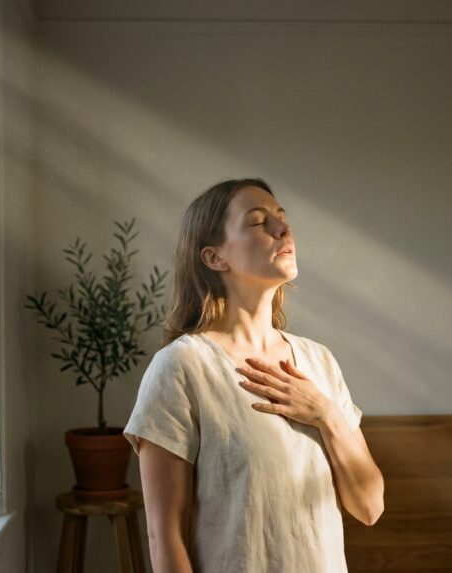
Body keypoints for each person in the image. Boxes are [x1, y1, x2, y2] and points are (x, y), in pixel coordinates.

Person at [123, 178, 384, 573]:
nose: (283, 229)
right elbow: (165, 535)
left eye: (282, 218)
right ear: (214, 258)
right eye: (258, 222)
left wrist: (325, 414)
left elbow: (369, 507)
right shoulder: (181, 367)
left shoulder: (319, 362)